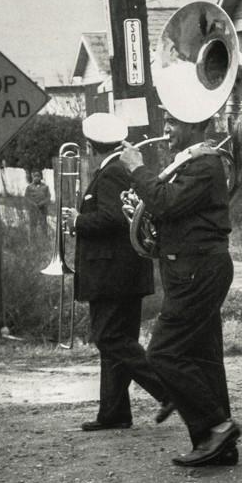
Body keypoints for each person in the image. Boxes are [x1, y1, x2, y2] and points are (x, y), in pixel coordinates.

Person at [119, 103, 241, 467]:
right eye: (167, 120)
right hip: (190, 267)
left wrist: (137, 170)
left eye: (173, 121)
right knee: (202, 356)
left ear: (195, 124)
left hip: (196, 270)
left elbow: (165, 203)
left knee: (163, 354)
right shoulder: (189, 162)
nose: (167, 128)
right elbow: (174, 212)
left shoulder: (203, 163)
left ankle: (217, 426)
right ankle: (216, 445)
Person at [62, 113, 173, 432]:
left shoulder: (111, 172)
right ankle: (114, 413)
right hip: (122, 271)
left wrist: (77, 221)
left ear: (89, 145)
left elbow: (113, 218)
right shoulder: (119, 169)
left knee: (109, 338)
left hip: (112, 272)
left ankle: (168, 391)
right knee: (119, 342)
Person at [24, 169, 51, 237]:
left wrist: (42, 203)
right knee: (33, 225)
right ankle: (33, 239)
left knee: (43, 225)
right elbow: (27, 197)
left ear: (40, 177)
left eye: (38, 176)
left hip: (42, 209)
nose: (36, 178)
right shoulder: (29, 187)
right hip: (33, 210)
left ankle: (44, 239)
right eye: (35, 176)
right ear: (32, 177)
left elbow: (48, 197)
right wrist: (33, 204)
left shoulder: (45, 187)